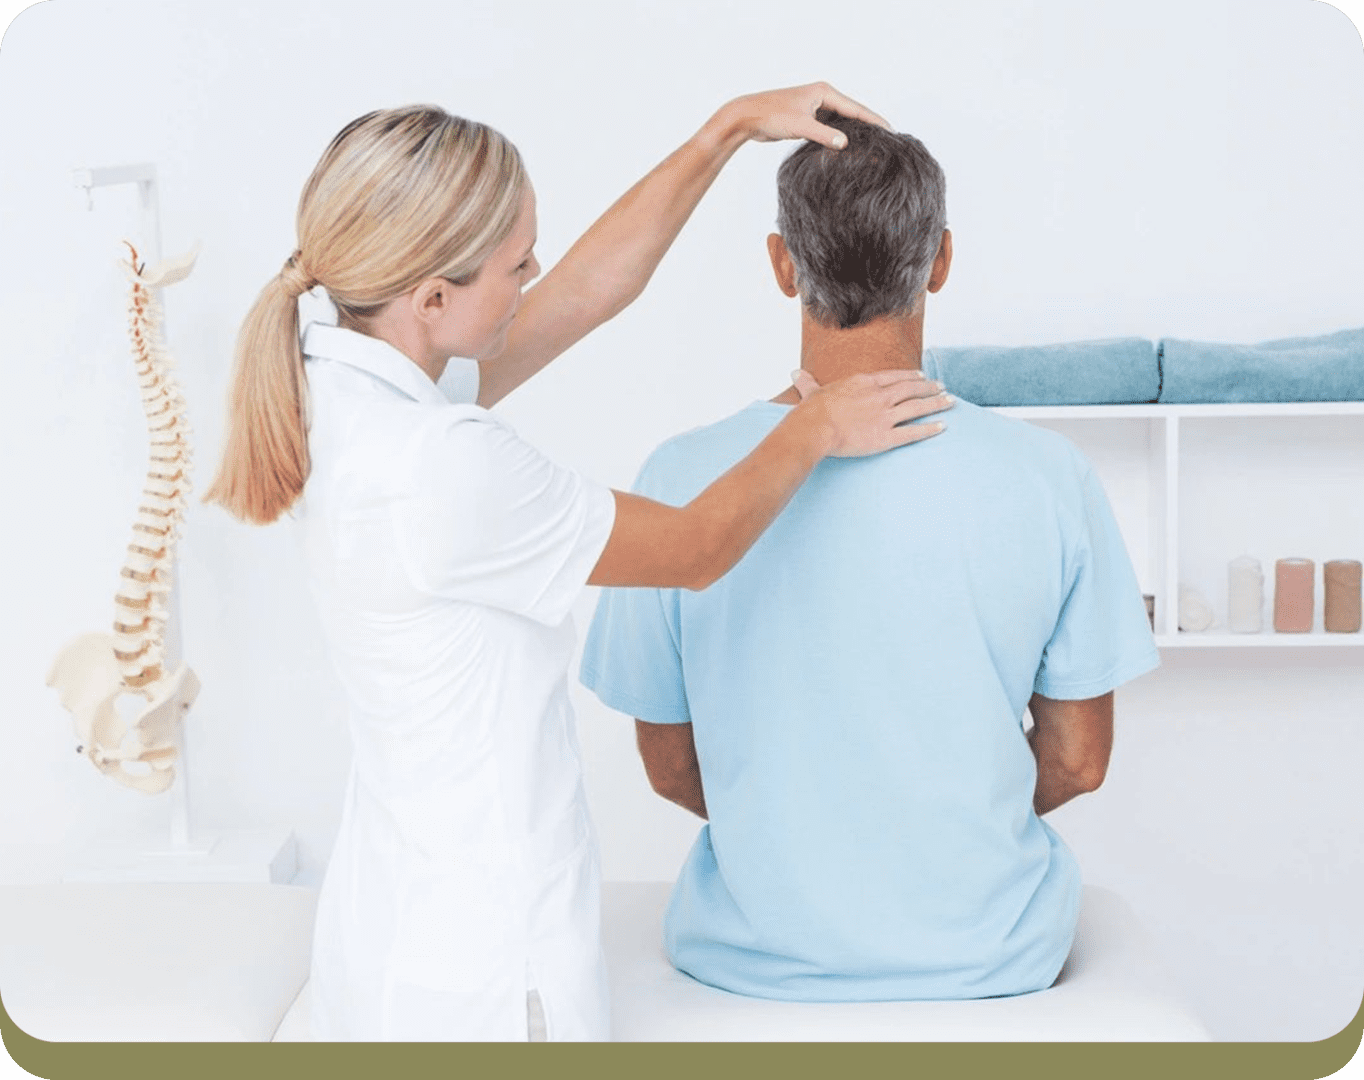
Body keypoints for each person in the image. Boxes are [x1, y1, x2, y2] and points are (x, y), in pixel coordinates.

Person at [202, 89, 954, 1041]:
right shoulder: (445, 468)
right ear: (432, 298)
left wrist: (721, 132)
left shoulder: (348, 376)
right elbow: (693, 549)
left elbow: (588, 293)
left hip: (391, 932)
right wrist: (814, 425)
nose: (536, 274)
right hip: (482, 974)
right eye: (517, 262)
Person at [580, 111, 1160, 1004]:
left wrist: (807, 836)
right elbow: (1079, 760)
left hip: (748, 964)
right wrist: (933, 825)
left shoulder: (680, 476)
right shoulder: (1049, 479)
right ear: (940, 260)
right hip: (989, 961)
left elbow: (668, 764)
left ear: (782, 264)